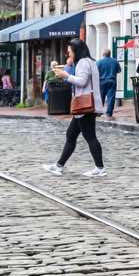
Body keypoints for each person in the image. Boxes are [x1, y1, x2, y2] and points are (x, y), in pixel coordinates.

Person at [44, 41, 106, 178]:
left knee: (90, 137)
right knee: (71, 135)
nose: (69, 54)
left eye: (70, 51)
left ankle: (100, 168)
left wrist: (65, 75)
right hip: (85, 106)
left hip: (84, 106)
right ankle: (59, 165)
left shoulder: (83, 63)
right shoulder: (91, 62)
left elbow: (82, 81)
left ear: (76, 50)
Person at [96, 45, 118, 118]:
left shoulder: (99, 62)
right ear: (110, 54)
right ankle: (109, 113)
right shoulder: (115, 61)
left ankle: (99, 112)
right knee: (111, 97)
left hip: (102, 81)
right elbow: (119, 70)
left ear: (103, 54)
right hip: (112, 81)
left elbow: (96, 72)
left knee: (101, 97)